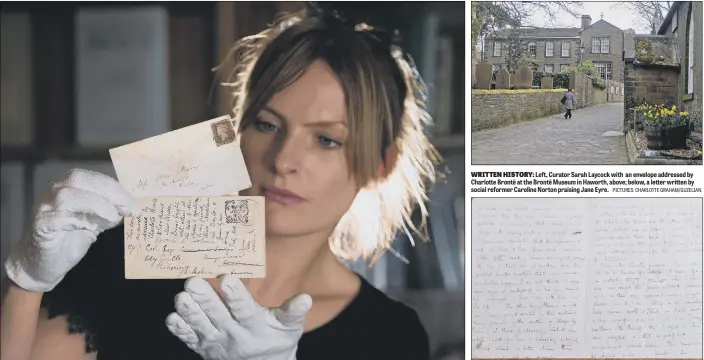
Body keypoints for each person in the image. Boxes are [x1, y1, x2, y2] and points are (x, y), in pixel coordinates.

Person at [0, 4, 441, 360]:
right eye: (268, 125)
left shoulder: (389, 338)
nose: (284, 160)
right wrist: (27, 282)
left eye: (327, 140)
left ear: (381, 165)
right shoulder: (127, 256)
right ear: (237, 130)